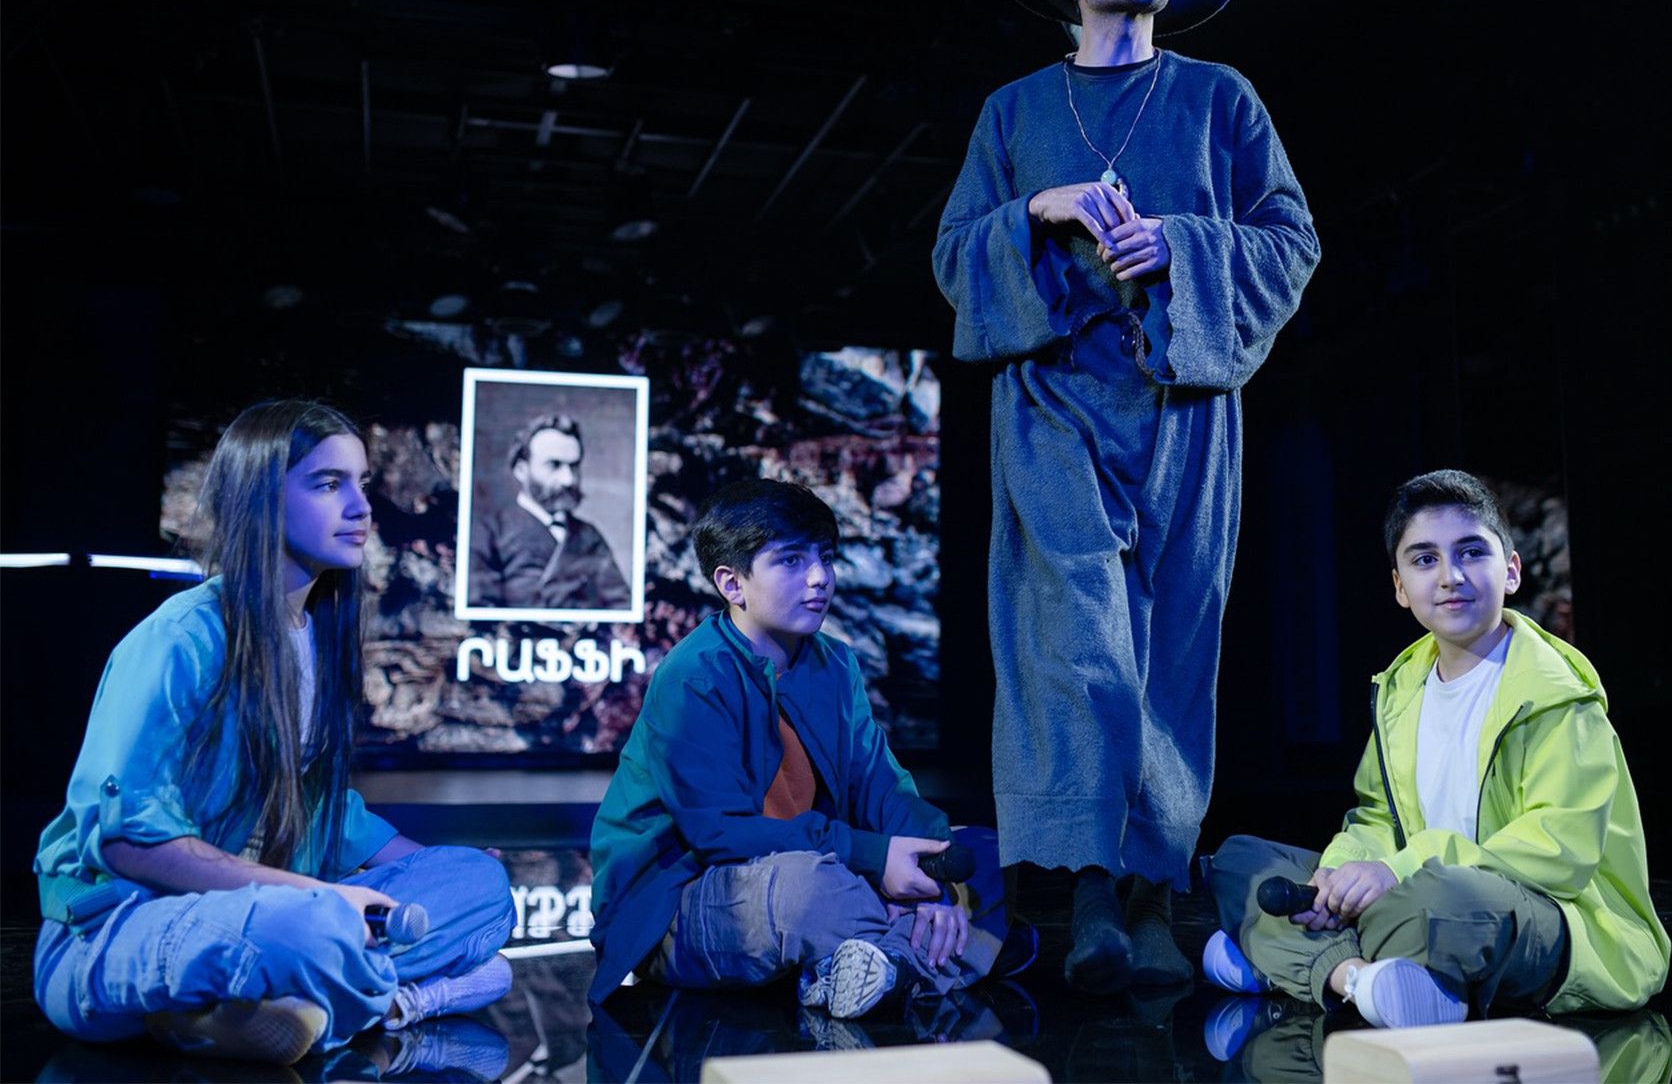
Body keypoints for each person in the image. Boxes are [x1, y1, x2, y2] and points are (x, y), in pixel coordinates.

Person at [931, 0, 1321, 991]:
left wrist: (1180, 246)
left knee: (1172, 649)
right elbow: (954, 255)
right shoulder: (1014, 112)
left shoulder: (1220, 98)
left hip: (1184, 409)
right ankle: (1093, 885)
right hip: (1055, 406)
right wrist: (1037, 209)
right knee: (1082, 641)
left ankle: (1152, 893)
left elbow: (1292, 240)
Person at [33, 399, 518, 1066]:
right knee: (309, 929)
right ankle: (391, 1001)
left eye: (362, 484)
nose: (360, 507)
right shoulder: (181, 637)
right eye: (329, 484)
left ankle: (251, 1010)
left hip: (280, 906)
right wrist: (323, 897)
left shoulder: (315, 634)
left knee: (478, 885)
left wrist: (435, 868)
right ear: (262, 498)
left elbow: (327, 813)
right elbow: (130, 844)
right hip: (125, 924)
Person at [1202, 470, 1671, 1034]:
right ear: (1400, 587)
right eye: (1425, 560)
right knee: (1242, 862)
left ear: (1511, 570)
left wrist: (1397, 870)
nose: (1451, 576)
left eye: (1471, 552)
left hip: (1545, 915)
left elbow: (1559, 851)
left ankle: (1281, 959)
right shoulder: (1402, 686)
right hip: (1415, 894)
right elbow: (1377, 817)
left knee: (1438, 901)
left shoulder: (1556, 695)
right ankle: (1359, 979)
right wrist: (1336, 877)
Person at [588, 479, 1026, 1016]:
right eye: (791, 560)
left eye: (825, 557)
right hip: (685, 897)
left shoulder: (834, 664)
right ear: (732, 584)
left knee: (980, 851)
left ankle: (881, 967)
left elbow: (882, 787)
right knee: (810, 889)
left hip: (816, 860)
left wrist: (937, 876)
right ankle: (943, 954)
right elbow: (720, 834)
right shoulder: (692, 677)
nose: (820, 577)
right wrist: (876, 861)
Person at [469, 412, 631, 611]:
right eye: (554, 465)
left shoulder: (589, 536)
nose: (568, 479)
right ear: (521, 470)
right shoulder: (489, 531)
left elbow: (621, 606)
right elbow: (480, 609)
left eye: (574, 466)